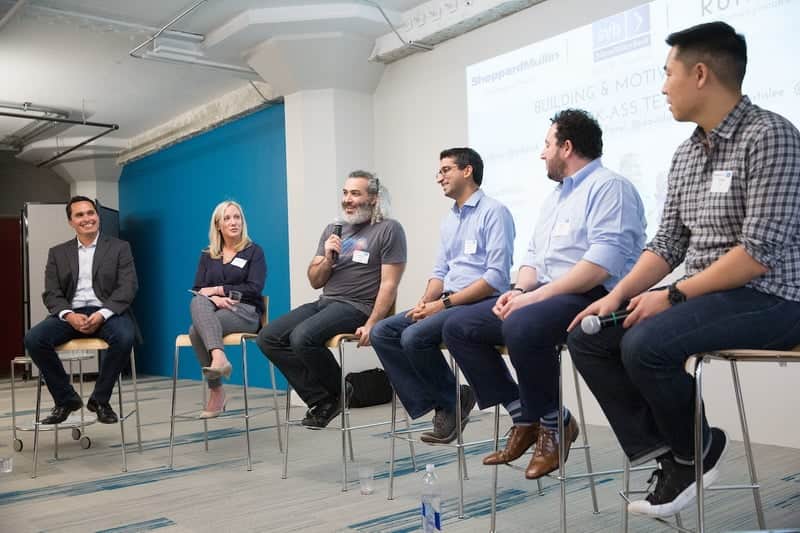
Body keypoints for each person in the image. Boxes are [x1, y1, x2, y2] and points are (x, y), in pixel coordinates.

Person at [567, 21, 800, 518]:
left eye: (667, 73)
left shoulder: (771, 136)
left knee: (645, 344)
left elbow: (758, 253)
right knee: (591, 334)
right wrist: (618, 294)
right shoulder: (686, 154)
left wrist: (673, 296)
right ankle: (669, 454)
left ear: (699, 74)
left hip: (773, 296)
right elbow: (669, 243)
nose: (662, 86)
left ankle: (697, 452)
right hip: (708, 294)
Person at [443, 110, 645, 479]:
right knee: (459, 325)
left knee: (522, 324)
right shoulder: (555, 197)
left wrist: (532, 298)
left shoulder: (609, 187)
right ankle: (526, 416)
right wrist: (518, 289)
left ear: (566, 148)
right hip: (549, 294)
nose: (542, 153)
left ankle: (552, 425)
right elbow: (534, 256)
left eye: (547, 145)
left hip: (595, 294)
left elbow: (599, 265)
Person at [370, 147, 516, 444]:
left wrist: (442, 304)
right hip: (447, 301)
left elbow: (495, 278)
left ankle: (449, 403)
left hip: (481, 302)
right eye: (439, 172)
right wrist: (425, 302)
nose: (440, 178)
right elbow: (440, 271)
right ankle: (448, 399)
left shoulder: (494, 212)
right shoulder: (450, 219)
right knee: (383, 331)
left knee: (414, 337)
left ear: (467, 170)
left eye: (446, 170)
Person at [256, 171, 406, 429]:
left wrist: (373, 323)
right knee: (268, 337)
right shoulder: (334, 230)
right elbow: (315, 280)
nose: (347, 199)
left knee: (302, 337)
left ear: (373, 198)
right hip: (326, 302)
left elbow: (389, 284)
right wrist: (327, 257)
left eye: (355, 193)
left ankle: (336, 395)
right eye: (345, 193)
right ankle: (326, 398)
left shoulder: (388, 229)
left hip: (358, 307)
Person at [24, 196, 139, 425]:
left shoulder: (119, 248)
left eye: (91, 213)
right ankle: (66, 399)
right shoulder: (57, 253)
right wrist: (69, 315)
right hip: (71, 313)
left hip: (107, 312)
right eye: (80, 215)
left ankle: (100, 400)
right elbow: (52, 293)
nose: (87, 218)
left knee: (126, 336)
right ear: (71, 222)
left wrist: (102, 314)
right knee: (34, 339)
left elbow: (128, 287)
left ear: (97, 216)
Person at [188, 201, 266, 418]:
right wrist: (215, 297)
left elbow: (254, 288)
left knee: (197, 330)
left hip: (246, 312)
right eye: (227, 218)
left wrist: (219, 290)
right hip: (217, 310)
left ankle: (216, 385)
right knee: (197, 305)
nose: (233, 222)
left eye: (237, 217)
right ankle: (218, 369)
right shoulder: (207, 255)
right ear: (218, 225)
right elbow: (197, 289)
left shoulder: (253, 251)